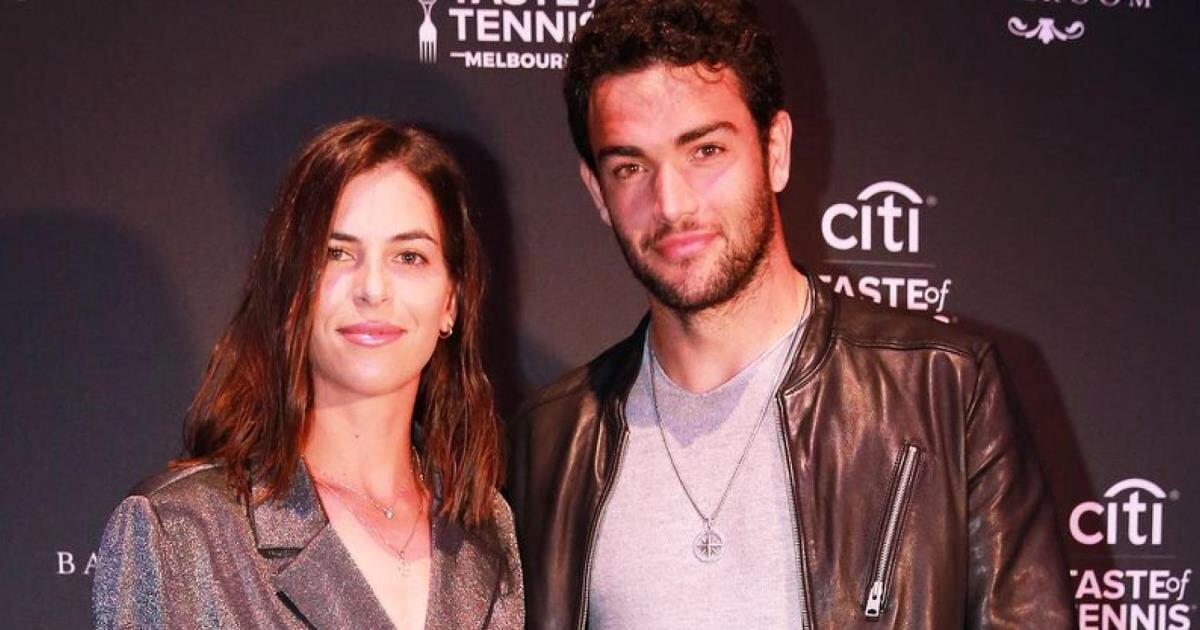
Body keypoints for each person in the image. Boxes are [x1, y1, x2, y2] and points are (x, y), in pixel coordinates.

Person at [506, 0, 1072, 628]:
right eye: (631, 167)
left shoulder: (944, 391)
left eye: (705, 151)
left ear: (775, 150)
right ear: (597, 191)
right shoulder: (549, 441)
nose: (671, 203)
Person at [93, 118, 523, 629]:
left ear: (450, 299)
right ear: (293, 289)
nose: (373, 289)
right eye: (337, 253)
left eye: (409, 256)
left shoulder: (484, 528)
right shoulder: (181, 530)